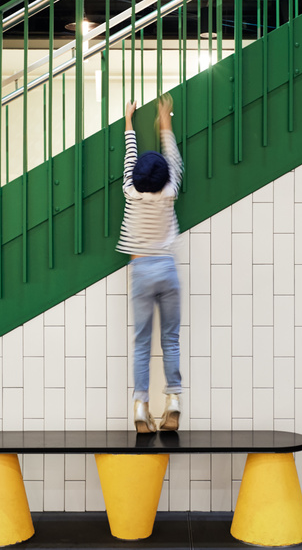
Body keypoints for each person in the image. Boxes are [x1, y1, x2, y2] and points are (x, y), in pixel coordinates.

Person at [116, 93, 184, 432]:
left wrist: (129, 119)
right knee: (170, 339)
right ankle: (173, 399)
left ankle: (141, 406)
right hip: (167, 269)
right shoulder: (170, 191)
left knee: (142, 342)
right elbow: (172, 158)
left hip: (141, 270)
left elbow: (131, 156)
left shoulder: (130, 191)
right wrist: (165, 121)